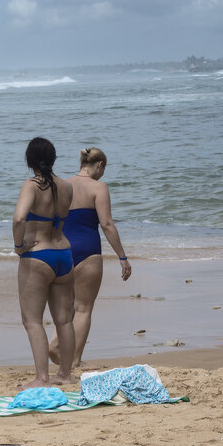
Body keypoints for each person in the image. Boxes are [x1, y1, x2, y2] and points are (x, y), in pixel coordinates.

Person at [47, 147, 132, 368]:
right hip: (88, 251)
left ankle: (55, 343)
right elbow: (106, 224)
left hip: (62, 250)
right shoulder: (99, 187)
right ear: (99, 165)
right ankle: (74, 360)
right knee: (83, 308)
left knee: (65, 306)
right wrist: (122, 256)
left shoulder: (62, 186)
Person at [12, 137, 75, 390]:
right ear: (53, 159)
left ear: (29, 161)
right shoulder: (67, 186)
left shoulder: (32, 185)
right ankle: (66, 375)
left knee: (33, 321)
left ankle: (42, 377)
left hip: (38, 256)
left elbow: (19, 219)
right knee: (64, 320)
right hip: (64, 254)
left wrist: (18, 247)